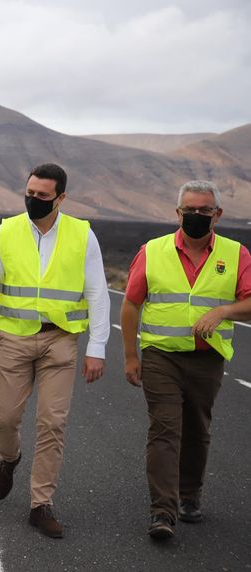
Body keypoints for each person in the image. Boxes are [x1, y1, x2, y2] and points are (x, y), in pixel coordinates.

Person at [0, 163, 110, 538]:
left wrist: (97, 347)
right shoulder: (6, 231)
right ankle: (9, 458)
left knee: (52, 422)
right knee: (5, 420)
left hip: (61, 339)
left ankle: (40, 503)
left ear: (61, 198)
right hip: (14, 338)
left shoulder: (83, 235)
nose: (33, 200)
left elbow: (98, 293)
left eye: (42, 196)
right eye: (29, 193)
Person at [120, 180, 251, 541]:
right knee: (165, 430)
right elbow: (131, 304)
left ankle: (189, 495)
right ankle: (162, 511)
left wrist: (224, 310)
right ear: (178, 212)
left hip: (207, 360)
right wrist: (131, 356)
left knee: (197, 429)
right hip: (161, 356)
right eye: (189, 210)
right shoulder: (153, 251)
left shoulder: (236, 253)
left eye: (204, 210)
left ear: (217, 214)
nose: (195, 216)